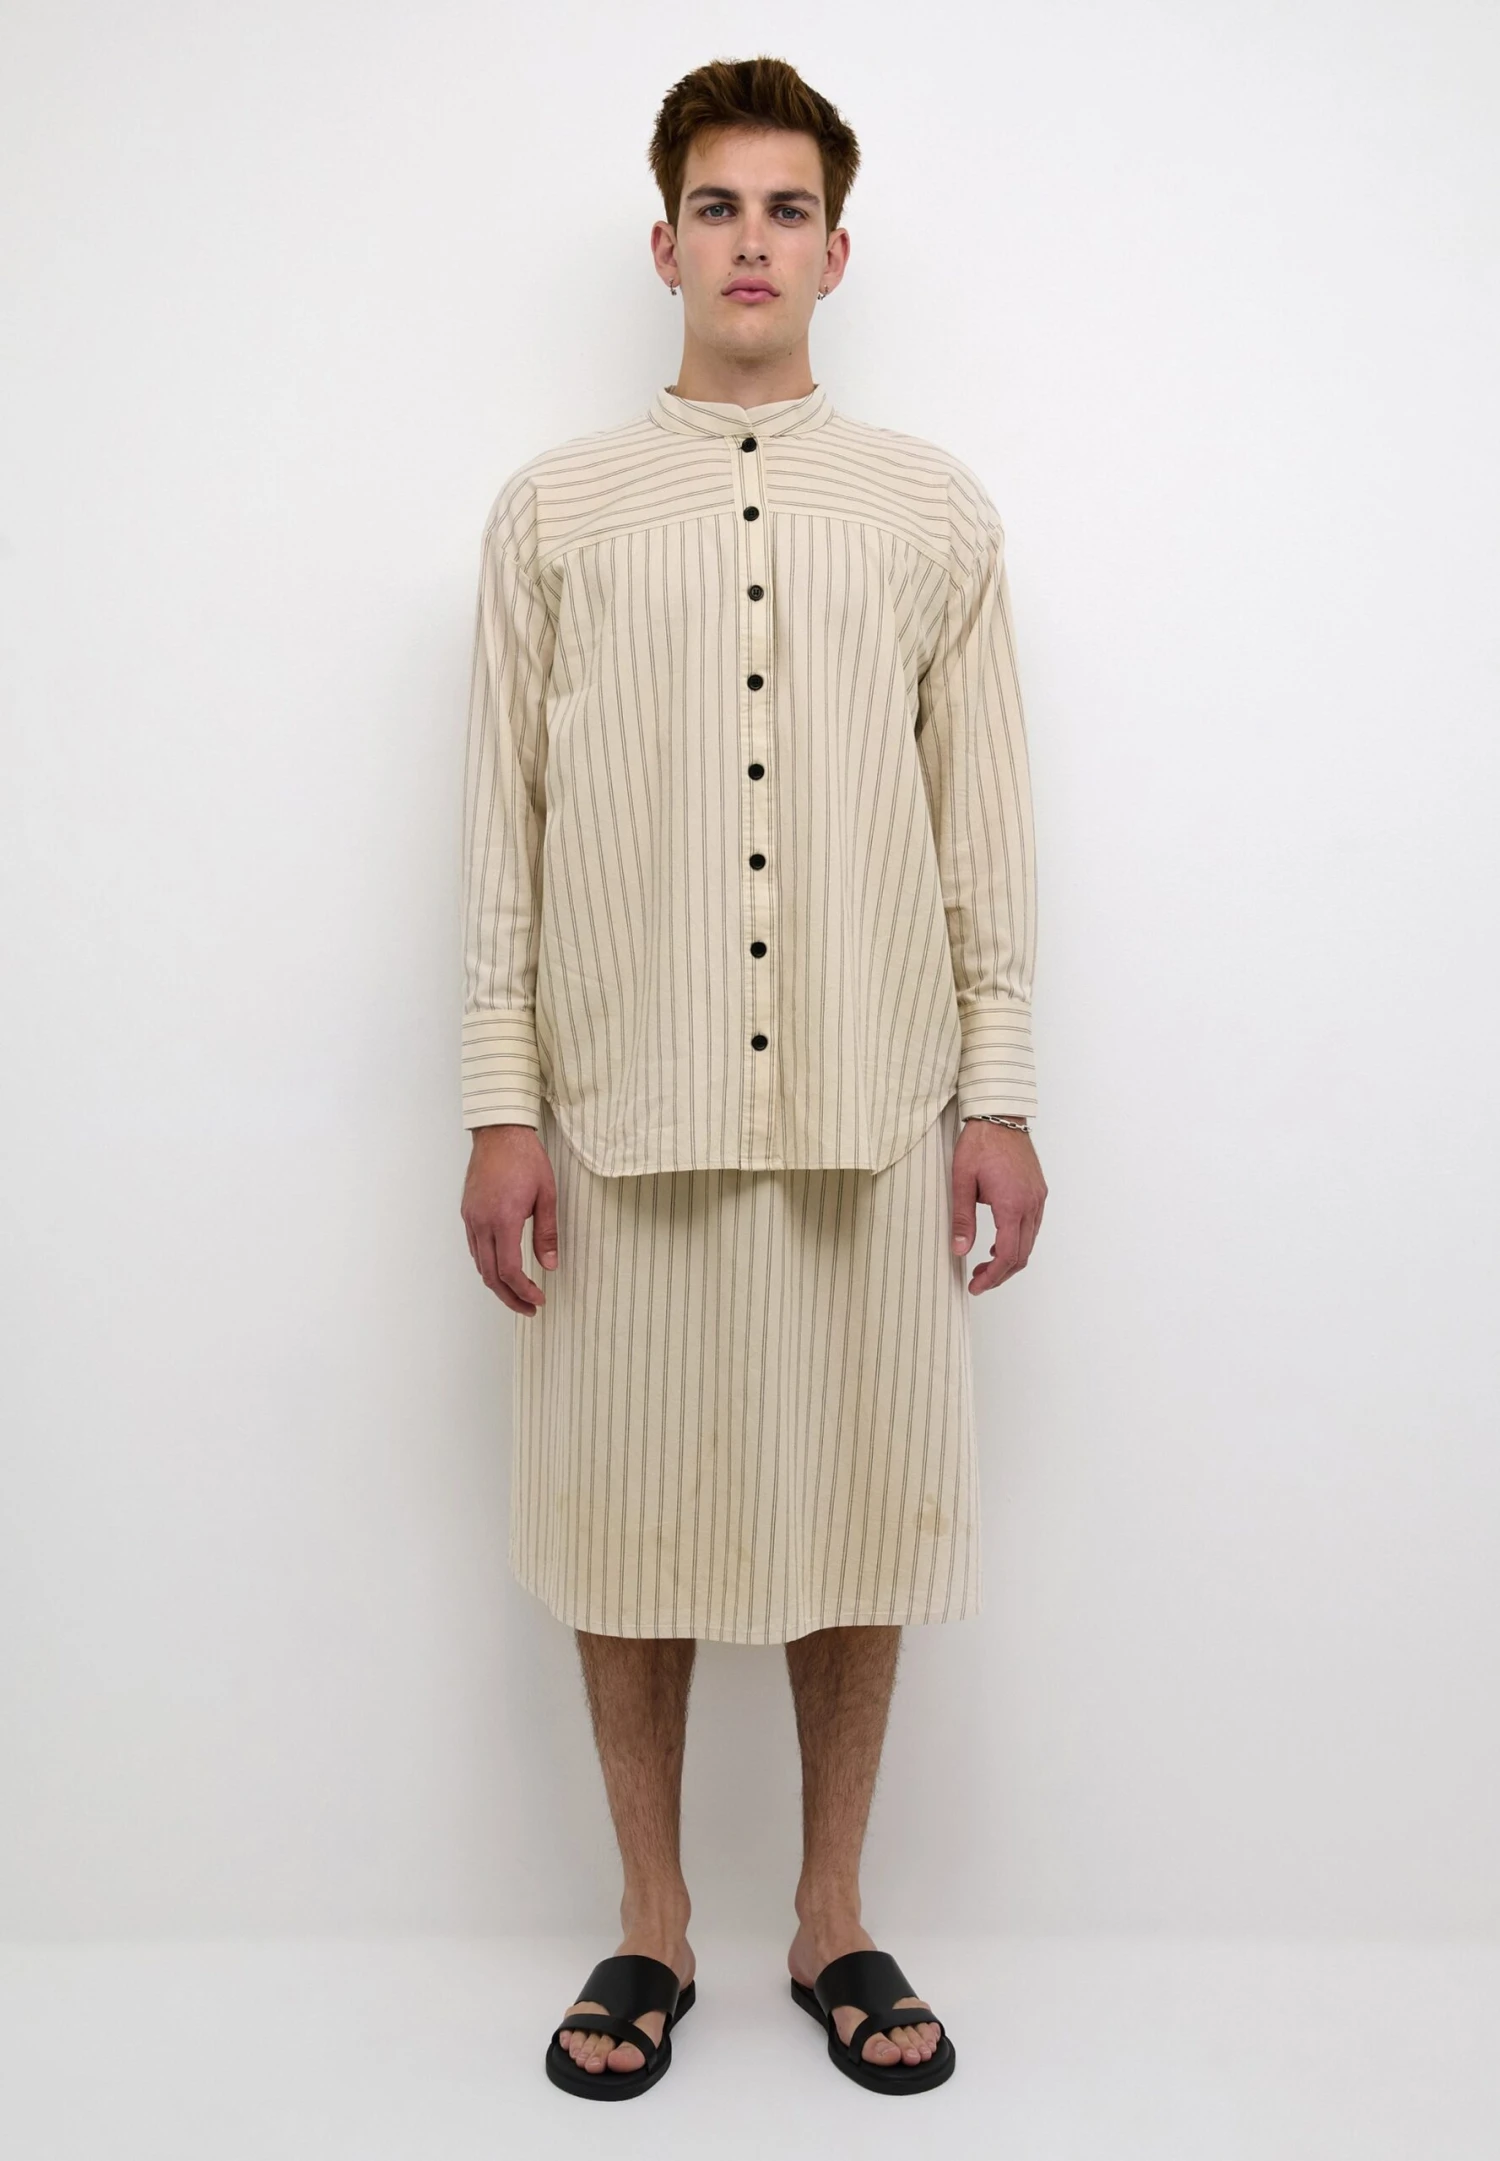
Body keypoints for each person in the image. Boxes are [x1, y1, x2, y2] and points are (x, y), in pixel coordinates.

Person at [458, 55, 1047, 2100]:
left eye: (787, 209)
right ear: (665, 240)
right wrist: (501, 1104)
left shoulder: (934, 513)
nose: (751, 241)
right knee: (624, 1518)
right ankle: (651, 1925)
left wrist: (1001, 1093)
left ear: (835, 252)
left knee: (857, 1513)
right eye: (718, 205)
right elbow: (503, 833)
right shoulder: (553, 512)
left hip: (873, 1106)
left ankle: (831, 1913)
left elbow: (983, 833)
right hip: (623, 1105)